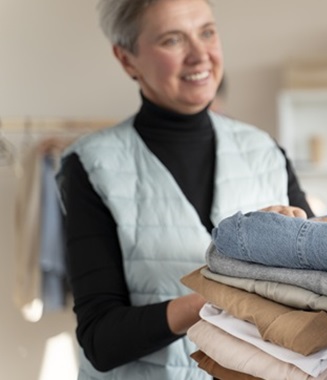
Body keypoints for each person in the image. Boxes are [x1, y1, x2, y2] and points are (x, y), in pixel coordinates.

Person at [56, 0, 313, 379]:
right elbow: (100, 340)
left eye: (207, 32)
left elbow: (320, 290)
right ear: (127, 59)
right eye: (173, 40)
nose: (200, 55)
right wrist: (222, 299)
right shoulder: (91, 166)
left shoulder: (265, 152)